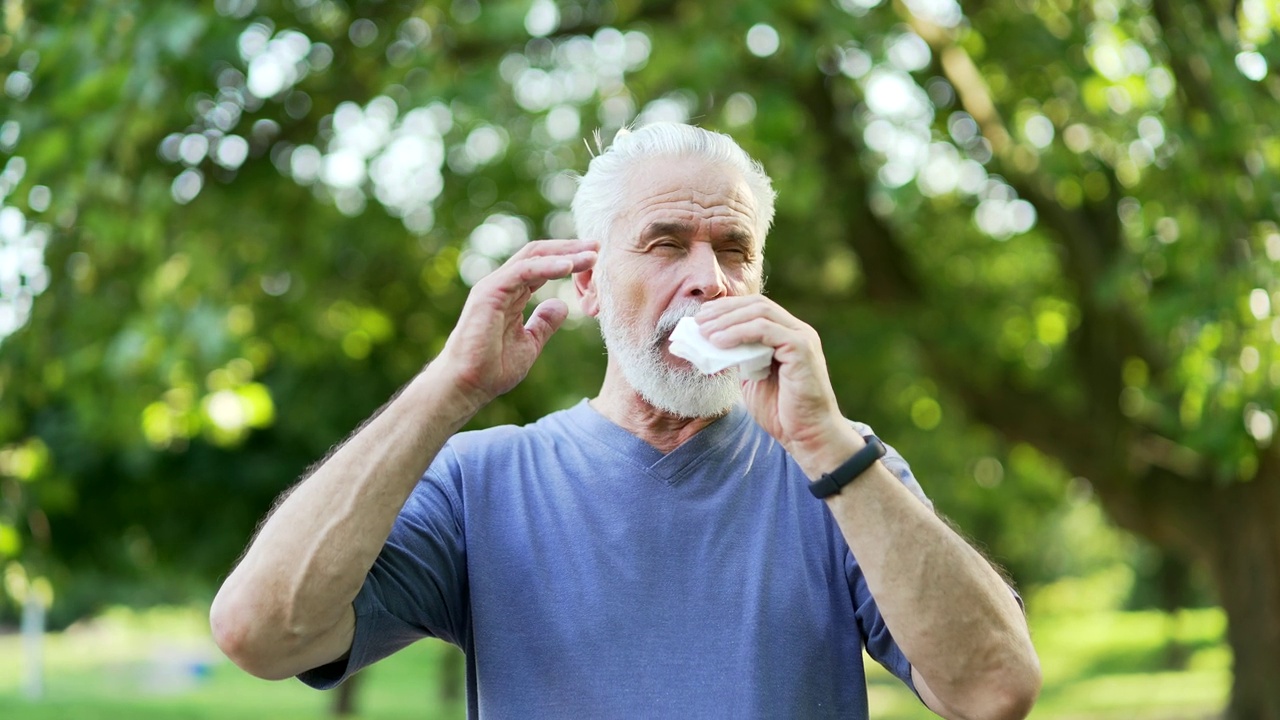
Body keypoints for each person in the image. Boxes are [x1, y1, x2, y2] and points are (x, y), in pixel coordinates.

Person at [210, 122, 1041, 719]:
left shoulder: (841, 474)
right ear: (589, 281)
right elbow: (259, 632)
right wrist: (449, 388)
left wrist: (830, 446)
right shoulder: (478, 482)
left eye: (734, 250)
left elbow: (996, 690)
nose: (708, 278)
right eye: (665, 242)